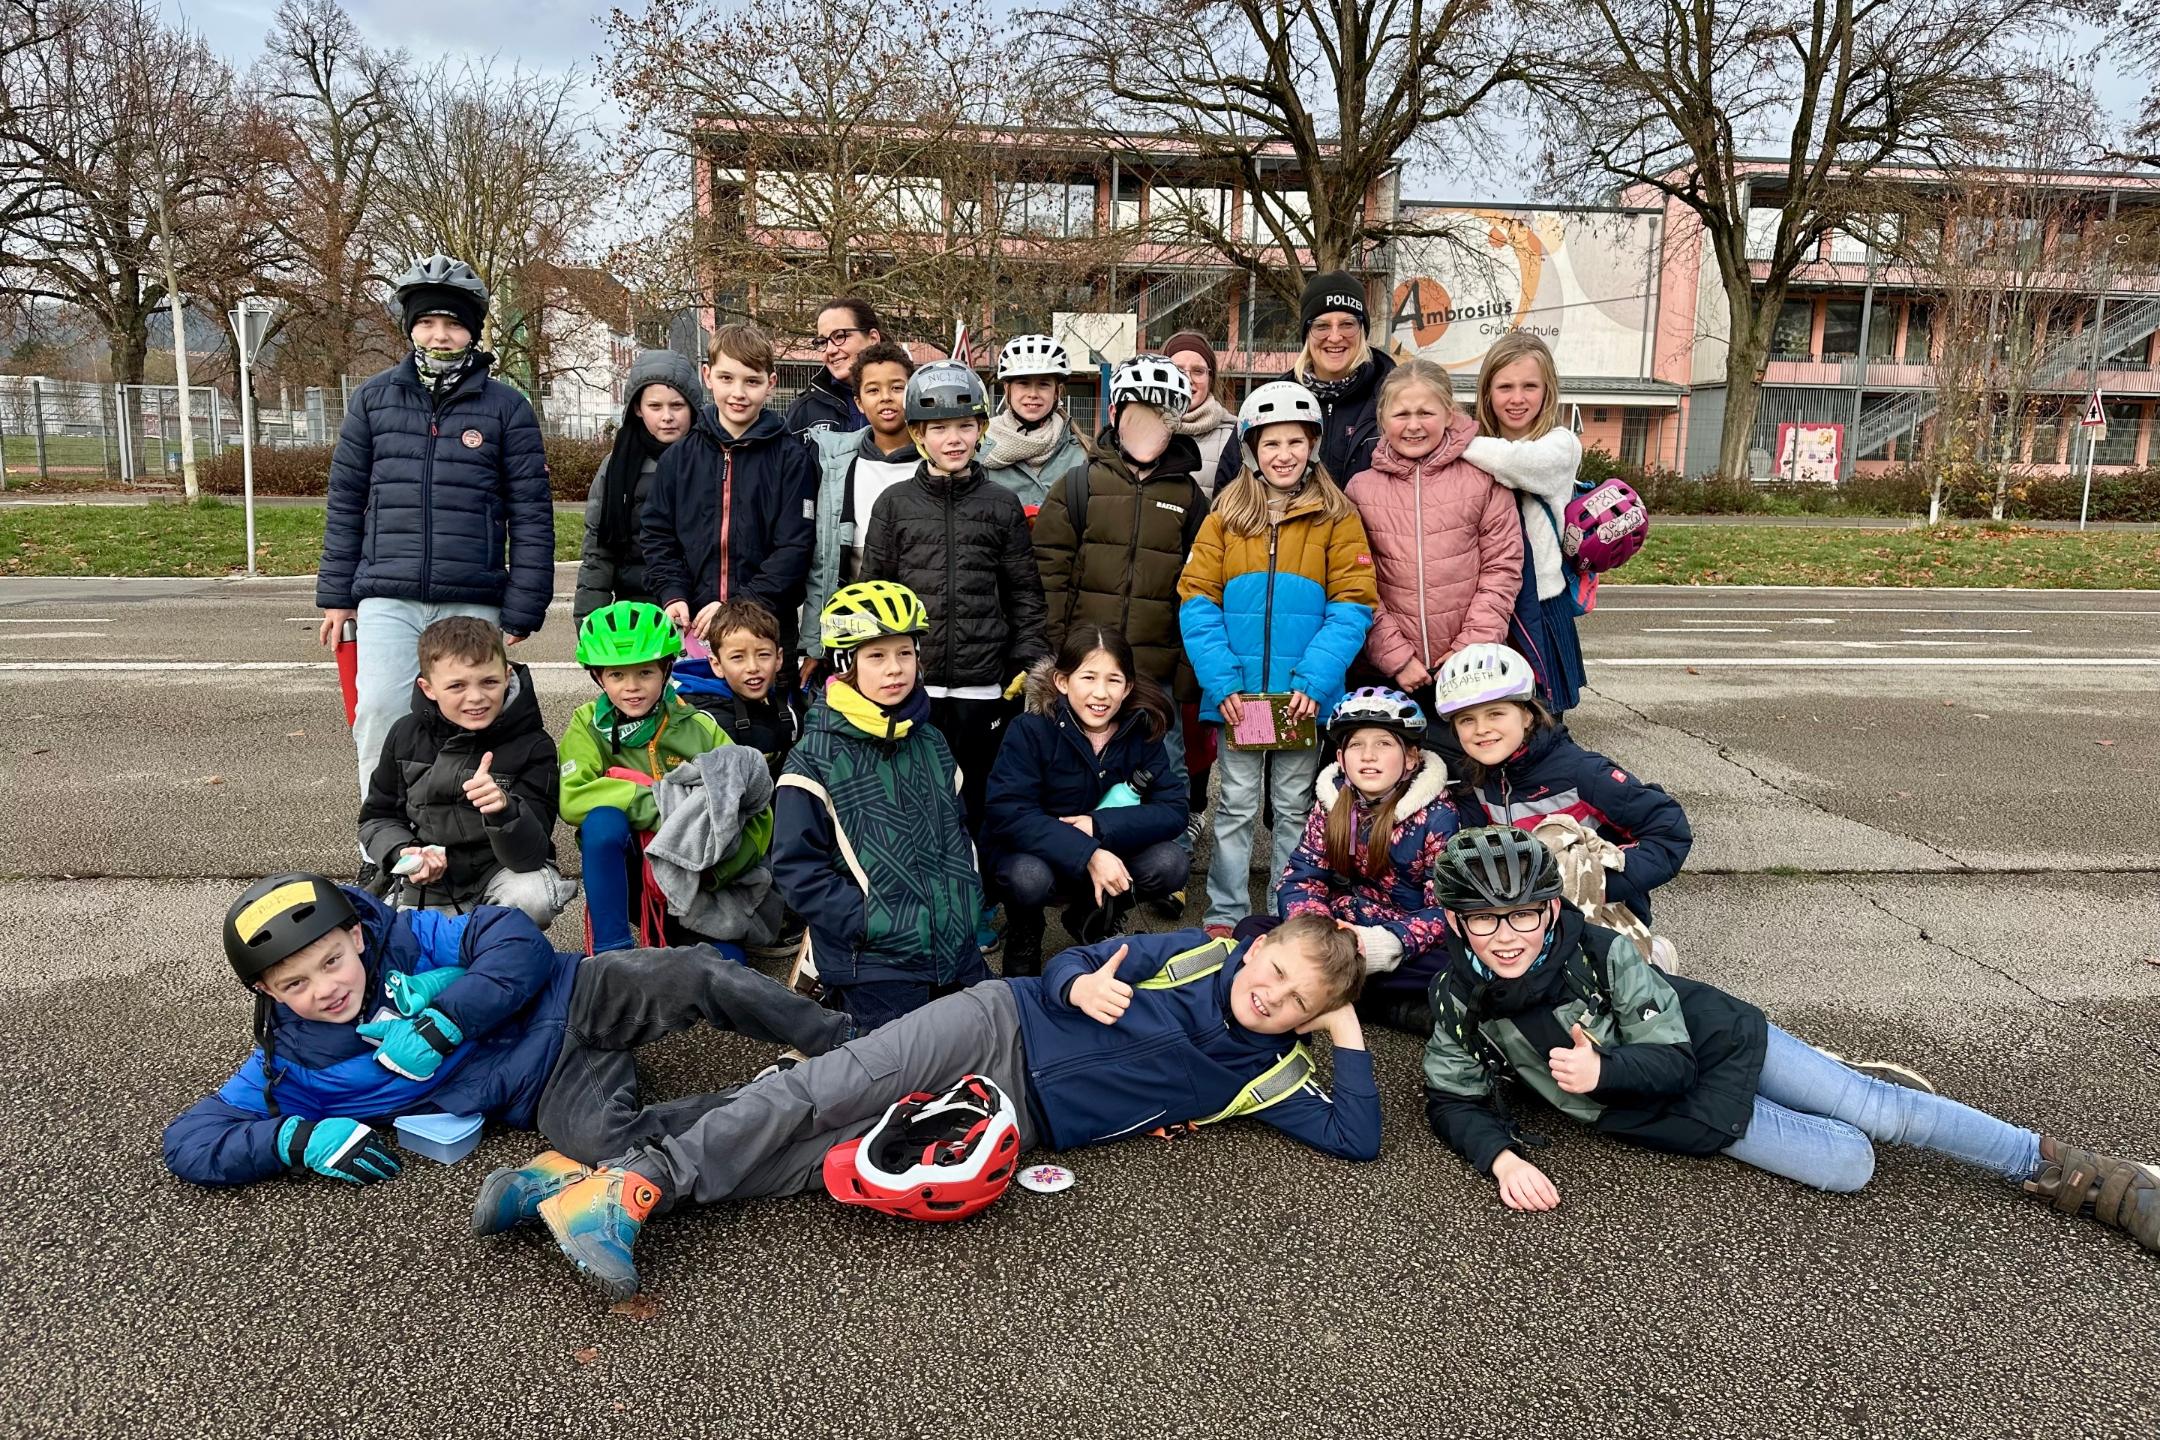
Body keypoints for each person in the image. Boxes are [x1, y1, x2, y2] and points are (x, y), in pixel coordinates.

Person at [476, 913, 1378, 1300]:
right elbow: (1075, 961)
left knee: (811, 1165)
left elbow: (1359, 1136)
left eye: (1298, 1000)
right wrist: (1077, 988)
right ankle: (644, 1184)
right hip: (997, 1020)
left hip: (1008, 1116)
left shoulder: (1276, 1078)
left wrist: (1349, 1033)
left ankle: (582, 1177)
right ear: (1258, 948)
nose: (1271, 994)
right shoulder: (1199, 956)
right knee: (819, 1090)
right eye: (1276, 969)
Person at [1419, 827, 2160, 1263]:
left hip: (1705, 1041)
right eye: (1484, 920)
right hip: (1671, 1110)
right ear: (1456, 924)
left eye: (1524, 916)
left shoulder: (1602, 952)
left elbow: (1672, 1055)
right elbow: (1451, 1094)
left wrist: (1599, 1069)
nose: (1507, 936)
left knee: (1886, 1111)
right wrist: (1502, 1155)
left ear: (1551, 910)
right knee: (1851, 1163)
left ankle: (2072, 1171)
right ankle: (1824, 1085)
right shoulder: (1458, 996)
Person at [164, 873, 853, 1190]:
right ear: (263, 991)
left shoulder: (403, 937)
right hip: (548, 1083)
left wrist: (444, 1019)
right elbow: (190, 1141)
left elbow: (514, 939)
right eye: (295, 985)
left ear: (354, 936)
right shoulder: (291, 1068)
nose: (325, 988)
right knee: (608, 1146)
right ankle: (788, 1099)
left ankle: (844, 1042)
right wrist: (294, 1137)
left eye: (332, 961)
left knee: (692, 974)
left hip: (573, 991)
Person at [316, 254, 554, 807]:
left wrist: (524, 603)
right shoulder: (373, 401)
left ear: (472, 330)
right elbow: (347, 501)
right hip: (387, 595)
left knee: (472, 721)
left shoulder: (507, 409)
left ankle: (466, 842)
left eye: (452, 324)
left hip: (472, 598)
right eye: (427, 322)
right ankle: (386, 845)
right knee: (378, 712)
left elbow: (532, 513)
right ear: (410, 327)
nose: (439, 335)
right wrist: (336, 596)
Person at [1179, 380, 1377, 935]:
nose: (1283, 454)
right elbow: (1196, 602)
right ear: (1251, 451)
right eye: (1270, 443)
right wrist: (1222, 683)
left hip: (1298, 699)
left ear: (1313, 445)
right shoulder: (1223, 518)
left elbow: (1353, 604)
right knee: (1236, 806)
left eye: (1295, 441)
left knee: (1293, 806)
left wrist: (1315, 680)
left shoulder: (1337, 518)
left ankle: (1290, 907)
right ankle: (1225, 912)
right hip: (1241, 699)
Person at [772, 582, 991, 1029]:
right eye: (876, 656)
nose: (895, 669)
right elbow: (798, 870)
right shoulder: (815, 758)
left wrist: (968, 898)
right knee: (904, 1082)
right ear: (844, 663)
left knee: (998, 1052)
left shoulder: (932, 741)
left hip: (954, 947)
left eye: (905, 653)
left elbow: (960, 830)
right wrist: (872, 921)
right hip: (875, 962)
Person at [861, 360, 1050, 840]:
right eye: (939, 427)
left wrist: (1027, 659)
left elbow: (1024, 592)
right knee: (910, 798)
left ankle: (979, 895)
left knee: (978, 798)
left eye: (965, 426)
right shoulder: (894, 504)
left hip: (982, 686)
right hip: (910, 684)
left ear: (982, 428)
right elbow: (872, 593)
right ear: (918, 434)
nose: (954, 439)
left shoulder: (1001, 504)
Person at [1032, 353, 1209, 789]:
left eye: (1161, 417)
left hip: (1155, 669)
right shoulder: (1078, 485)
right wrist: (1060, 653)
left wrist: (1185, 672)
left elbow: (1199, 588)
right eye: (1139, 414)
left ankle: (1170, 854)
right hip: (1085, 665)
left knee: (1165, 771)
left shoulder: (1189, 498)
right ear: (1115, 413)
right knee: (1073, 771)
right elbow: (1050, 576)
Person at [560, 601, 771, 957]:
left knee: (728, 968)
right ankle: (613, 954)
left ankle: (682, 940)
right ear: (598, 677)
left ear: (666, 668)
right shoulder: (586, 723)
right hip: (631, 878)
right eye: (616, 675)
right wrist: (668, 808)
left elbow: (758, 811)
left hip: (694, 881)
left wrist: (713, 874)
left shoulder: (699, 725)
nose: (632, 687)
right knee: (601, 821)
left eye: (645, 673)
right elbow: (574, 795)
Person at [1431, 643, 1689, 927]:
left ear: (1527, 715)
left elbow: (1668, 831)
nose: (1481, 728)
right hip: (1522, 917)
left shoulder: (1582, 773)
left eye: (1495, 713)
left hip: (1597, 916)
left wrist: (1597, 881)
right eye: (1467, 719)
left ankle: (1652, 955)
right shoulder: (1475, 783)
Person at [982, 626, 1190, 977]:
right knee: (1027, 877)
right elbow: (1008, 812)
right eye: (1088, 677)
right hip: (1038, 855)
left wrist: (1100, 827)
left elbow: (1174, 809)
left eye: (1113, 680)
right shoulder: (1030, 729)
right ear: (1062, 682)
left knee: (1171, 863)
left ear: (1127, 688)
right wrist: (1088, 852)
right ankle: (1025, 931)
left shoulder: (1139, 730)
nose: (1100, 693)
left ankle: (1090, 914)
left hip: (1108, 846)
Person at [1344, 357, 1522, 746]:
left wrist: (1469, 650)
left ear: (1448, 413)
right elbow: (1354, 582)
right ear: (1383, 417)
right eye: (1401, 413)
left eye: (1426, 412)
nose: (1413, 425)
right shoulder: (1360, 489)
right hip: (1387, 670)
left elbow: (1502, 568)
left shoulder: (1483, 480)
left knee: (1464, 778)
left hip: (1469, 669)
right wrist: (1396, 657)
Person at [357, 616, 574, 929]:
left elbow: (531, 854)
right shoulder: (405, 735)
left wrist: (504, 810)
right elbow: (377, 818)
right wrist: (405, 853)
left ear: (506, 675)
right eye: (457, 685)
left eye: (489, 682)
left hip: (502, 871)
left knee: (532, 895)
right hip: (432, 883)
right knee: (401, 944)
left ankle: (505, 953)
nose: (475, 697)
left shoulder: (533, 743)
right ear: (428, 688)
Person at [1276, 688, 1459, 1031]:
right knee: (1253, 934)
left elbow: (1446, 909)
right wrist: (1321, 932)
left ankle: (1352, 999)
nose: (1368, 756)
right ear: (1342, 758)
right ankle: (1372, 1001)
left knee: (1457, 965)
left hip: (1401, 943)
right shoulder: (1331, 804)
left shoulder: (1439, 816)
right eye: (1357, 745)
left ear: (1411, 758)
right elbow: (1302, 878)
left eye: (1384, 744)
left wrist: (1384, 943)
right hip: (1341, 930)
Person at [640, 322, 818, 654]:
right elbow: (657, 535)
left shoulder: (791, 458)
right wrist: (673, 593)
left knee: (768, 706)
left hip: (766, 626)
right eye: (726, 378)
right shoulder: (679, 457)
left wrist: (739, 604)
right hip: (694, 627)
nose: (738, 393)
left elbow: (794, 548)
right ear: (707, 376)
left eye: (752, 381)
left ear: (770, 384)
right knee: (696, 706)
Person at [1463, 331, 1587, 713]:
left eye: (1529, 386)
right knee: (1486, 715)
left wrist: (1449, 437)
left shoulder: (1561, 444)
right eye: (1505, 387)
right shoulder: (1478, 443)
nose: (1517, 398)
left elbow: (1514, 462)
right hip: (1486, 602)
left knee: (1542, 718)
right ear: (1487, 392)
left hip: (1543, 603)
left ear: (1547, 391)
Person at [1208, 271, 1395, 494]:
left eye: (1347, 324)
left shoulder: (1392, 399)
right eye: (1321, 326)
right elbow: (1230, 486)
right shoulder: (1271, 400)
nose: (1335, 337)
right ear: (1306, 333)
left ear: (1362, 330)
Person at [802, 339, 918, 680]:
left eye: (897, 387)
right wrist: (816, 644)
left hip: (920, 631)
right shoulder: (838, 466)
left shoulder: (937, 463)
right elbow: (823, 564)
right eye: (873, 389)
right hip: (856, 632)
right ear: (858, 401)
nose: (886, 397)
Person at [573, 349, 711, 626]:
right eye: (655, 406)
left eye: (677, 405)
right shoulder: (616, 467)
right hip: (637, 613)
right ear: (638, 408)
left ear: (693, 406)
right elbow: (598, 552)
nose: (667, 416)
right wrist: (589, 621)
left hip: (700, 613)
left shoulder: (713, 459)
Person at [672, 599, 803, 781]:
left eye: (763, 655)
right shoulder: (700, 720)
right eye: (737, 657)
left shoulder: (789, 715)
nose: (752, 667)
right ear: (716, 664)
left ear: (779, 658)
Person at [980, 334, 1091, 511]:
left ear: (1057, 392)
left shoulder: (1084, 453)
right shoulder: (979, 449)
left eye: (1043, 384)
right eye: (1023, 383)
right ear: (1007, 389)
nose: (1033, 393)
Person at [786, 296, 885, 440]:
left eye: (839, 336)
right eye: (822, 341)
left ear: (873, 339)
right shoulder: (802, 411)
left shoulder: (909, 397)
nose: (830, 350)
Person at [1160, 330, 1238, 489]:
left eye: (1198, 371)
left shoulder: (1234, 438)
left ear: (1211, 378)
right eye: (1178, 371)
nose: (1188, 380)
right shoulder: (1140, 432)